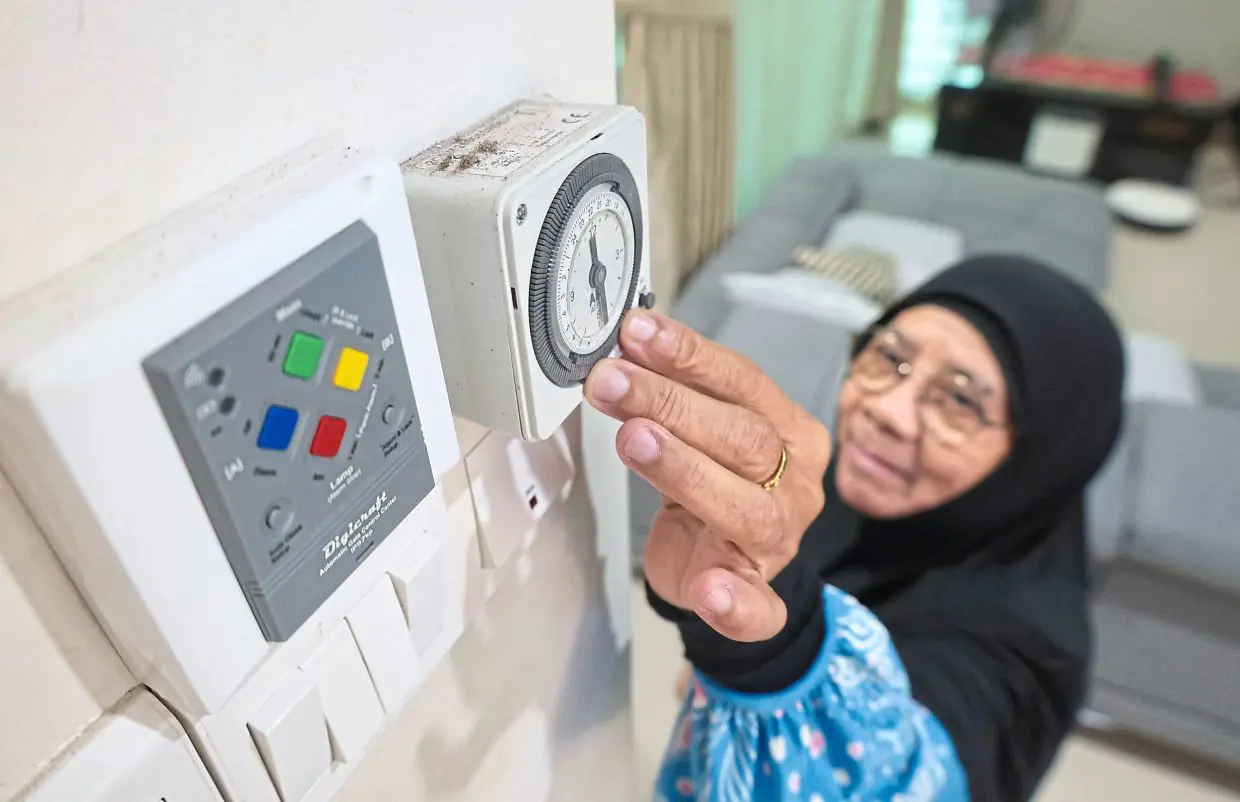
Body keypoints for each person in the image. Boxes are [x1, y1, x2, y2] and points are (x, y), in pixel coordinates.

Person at [584, 255, 1125, 802]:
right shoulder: (854, 488)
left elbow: (914, 774)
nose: (888, 410)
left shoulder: (1029, 650)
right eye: (890, 356)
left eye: (960, 399)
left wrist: (776, 654)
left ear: (1038, 456)